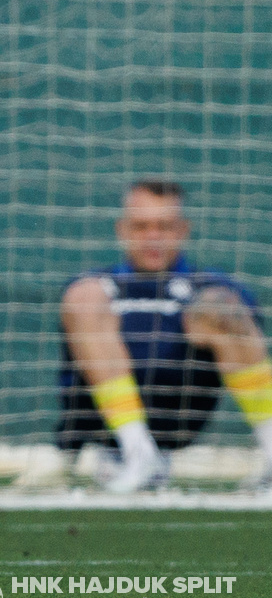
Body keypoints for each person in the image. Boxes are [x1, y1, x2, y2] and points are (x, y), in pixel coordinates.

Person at [57, 179, 272, 492]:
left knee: (222, 306)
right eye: (142, 226)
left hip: (179, 426)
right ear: (122, 230)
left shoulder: (209, 286)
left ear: (183, 230)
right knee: (83, 297)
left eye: (165, 226)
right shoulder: (95, 285)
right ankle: (138, 454)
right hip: (103, 436)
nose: (153, 237)